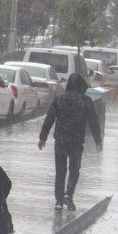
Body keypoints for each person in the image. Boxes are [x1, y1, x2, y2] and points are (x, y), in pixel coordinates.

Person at [38, 72, 103, 211]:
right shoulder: (85, 101)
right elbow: (93, 121)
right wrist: (98, 140)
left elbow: (49, 118)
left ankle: (59, 201)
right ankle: (69, 194)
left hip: (61, 140)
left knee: (60, 170)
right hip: (76, 140)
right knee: (74, 168)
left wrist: (42, 137)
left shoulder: (59, 99)